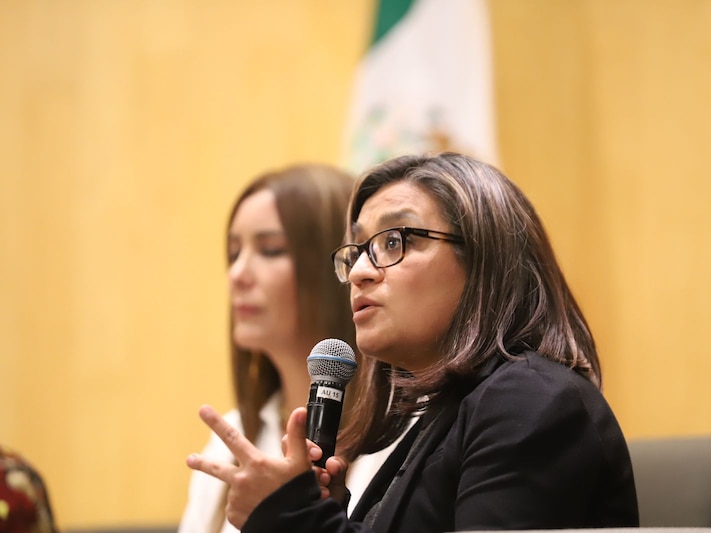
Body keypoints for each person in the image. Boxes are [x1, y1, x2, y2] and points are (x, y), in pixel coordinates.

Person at [187, 152, 640, 531]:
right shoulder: (446, 414)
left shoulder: (530, 401)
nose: (361, 271)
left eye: (395, 240)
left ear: (483, 259)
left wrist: (291, 519)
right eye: (359, 250)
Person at [179, 163, 393, 533]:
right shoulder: (232, 435)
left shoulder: (401, 431)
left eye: (271, 250)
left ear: (342, 266)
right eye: (234, 253)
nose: (237, 274)